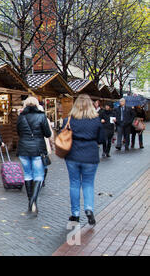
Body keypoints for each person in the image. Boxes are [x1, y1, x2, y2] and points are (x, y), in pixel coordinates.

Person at [62, 94, 104, 225]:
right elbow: (102, 139)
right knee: (88, 184)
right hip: (90, 156)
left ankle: (75, 214)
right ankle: (89, 209)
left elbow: (62, 135)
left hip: (73, 155)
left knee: (74, 184)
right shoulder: (96, 120)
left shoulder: (68, 120)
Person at [16, 96, 52, 214]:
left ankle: (29, 200)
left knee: (27, 175)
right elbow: (47, 133)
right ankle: (33, 201)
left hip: (23, 149)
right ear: (37, 104)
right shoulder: (41, 116)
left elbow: (18, 132)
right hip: (37, 149)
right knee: (38, 175)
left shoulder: (21, 117)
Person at [37, 104, 54, 187]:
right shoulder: (45, 119)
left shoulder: (27, 117)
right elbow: (50, 134)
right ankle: (42, 179)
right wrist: (52, 143)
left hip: (33, 145)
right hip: (44, 143)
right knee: (44, 162)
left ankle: (37, 179)